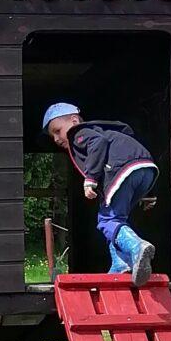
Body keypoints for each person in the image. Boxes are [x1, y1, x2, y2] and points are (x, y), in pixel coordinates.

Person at [43, 103, 158, 283]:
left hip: (123, 168)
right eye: (53, 136)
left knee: (107, 221)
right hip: (147, 169)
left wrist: (90, 178)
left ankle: (137, 247)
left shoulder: (79, 132)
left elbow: (98, 144)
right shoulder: (104, 131)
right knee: (117, 220)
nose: (56, 138)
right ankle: (120, 264)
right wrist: (148, 194)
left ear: (73, 120)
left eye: (57, 130)